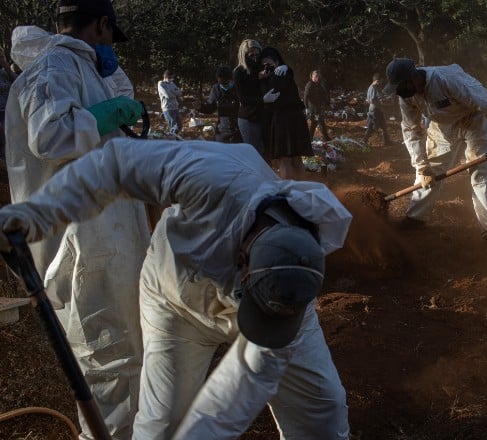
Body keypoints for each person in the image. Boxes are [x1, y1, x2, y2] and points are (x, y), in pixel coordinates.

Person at [0, 138, 352, 440]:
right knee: (162, 426)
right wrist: (39, 214)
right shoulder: (211, 177)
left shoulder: (293, 280)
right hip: (176, 305)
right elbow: (116, 164)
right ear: (243, 260)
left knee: (321, 407)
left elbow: (237, 392)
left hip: (267, 308)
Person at [4, 2, 150, 439]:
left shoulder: (81, 70)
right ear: (103, 24)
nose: (111, 48)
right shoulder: (55, 68)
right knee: (107, 360)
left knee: (124, 357)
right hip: (85, 245)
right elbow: (51, 136)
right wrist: (109, 115)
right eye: (109, 35)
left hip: (105, 235)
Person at [383, 58, 487, 249]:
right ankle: (416, 218)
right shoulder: (406, 96)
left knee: (481, 174)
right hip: (442, 126)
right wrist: (421, 165)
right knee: (430, 171)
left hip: (473, 121)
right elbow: (411, 129)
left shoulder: (448, 79)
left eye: (401, 86)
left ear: (413, 77)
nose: (399, 92)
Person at [260, 47, 313, 180]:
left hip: (283, 119)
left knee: (286, 159)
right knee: (295, 158)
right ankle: (300, 191)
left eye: (269, 64)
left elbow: (274, 91)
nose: (267, 67)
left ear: (276, 61)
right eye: (264, 65)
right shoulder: (283, 72)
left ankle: (288, 193)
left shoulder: (280, 73)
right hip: (295, 118)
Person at [233, 39, 282, 154]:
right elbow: (243, 99)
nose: (255, 57)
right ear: (244, 55)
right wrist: (263, 100)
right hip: (249, 118)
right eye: (251, 54)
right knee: (254, 152)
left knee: (263, 151)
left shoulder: (260, 68)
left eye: (257, 53)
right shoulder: (239, 72)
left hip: (262, 116)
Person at [199, 65, 241, 143]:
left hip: (237, 128)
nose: (223, 83)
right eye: (221, 81)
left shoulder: (237, 88)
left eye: (225, 81)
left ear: (230, 79)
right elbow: (211, 107)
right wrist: (201, 107)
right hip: (222, 128)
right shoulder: (216, 89)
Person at [363, 72, 392, 146]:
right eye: (381, 81)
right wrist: (380, 105)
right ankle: (364, 141)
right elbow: (372, 100)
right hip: (374, 110)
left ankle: (387, 141)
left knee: (383, 126)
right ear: (377, 80)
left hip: (377, 110)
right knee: (371, 127)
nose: (381, 83)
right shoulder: (372, 87)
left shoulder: (373, 87)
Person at [304, 69, 331, 141]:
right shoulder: (309, 85)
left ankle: (309, 139)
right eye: (315, 76)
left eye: (318, 76)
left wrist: (327, 102)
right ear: (312, 77)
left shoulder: (318, 85)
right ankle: (327, 138)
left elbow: (323, 95)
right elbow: (305, 96)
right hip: (313, 109)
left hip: (318, 108)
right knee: (320, 122)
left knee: (314, 124)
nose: (317, 78)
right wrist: (306, 108)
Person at [0, 50, 17, 160]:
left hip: (9, 111)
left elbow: (17, 82)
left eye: (2, 56)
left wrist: (6, 67)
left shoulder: (4, 72)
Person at [158, 69, 183, 133]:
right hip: (168, 108)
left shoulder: (172, 84)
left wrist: (173, 92)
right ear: (166, 76)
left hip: (175, 107)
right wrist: (175, 93)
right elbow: (168, 95)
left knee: (179, 125)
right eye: (170, 77)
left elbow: (180, 93)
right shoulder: (161, 84)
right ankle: (172, 140)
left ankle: (175, 137)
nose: (171, 79)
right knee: (173, 126)